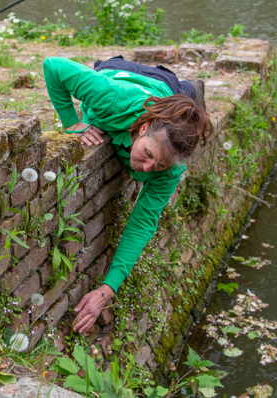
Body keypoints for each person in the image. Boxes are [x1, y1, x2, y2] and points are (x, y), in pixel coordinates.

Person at [42, 55, 212, 333]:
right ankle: (189, 89)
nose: (145, 168)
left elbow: (142, 222)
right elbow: (53, 65)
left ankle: (190, 92)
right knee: (178, 91)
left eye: (158, 166)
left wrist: (107, 290)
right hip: (122, 75)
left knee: (184, 105)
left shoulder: (169, 171)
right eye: (148, 154)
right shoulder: (112, 98)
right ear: (144, 128)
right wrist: (71, 122)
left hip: (165, 96)